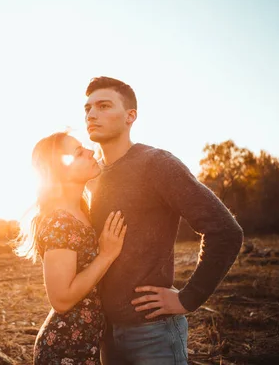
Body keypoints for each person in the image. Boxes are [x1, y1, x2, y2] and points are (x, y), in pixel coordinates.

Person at [83, 76, 244, 365]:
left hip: (152, 333)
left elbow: (225, 230)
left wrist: (187, 298)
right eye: (88, 108)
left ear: (130, 116)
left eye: (104, 105)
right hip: (106, 333)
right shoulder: (94, 177)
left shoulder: (156, 163)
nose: (92, 114)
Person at [15, 131, 128, 365]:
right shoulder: (60, 221)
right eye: (78, 152)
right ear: (60, 171)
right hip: (64, 350)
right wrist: (106, 256)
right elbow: (61, 299)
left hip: (86, 347)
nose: (91, 151)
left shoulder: (82, 211)